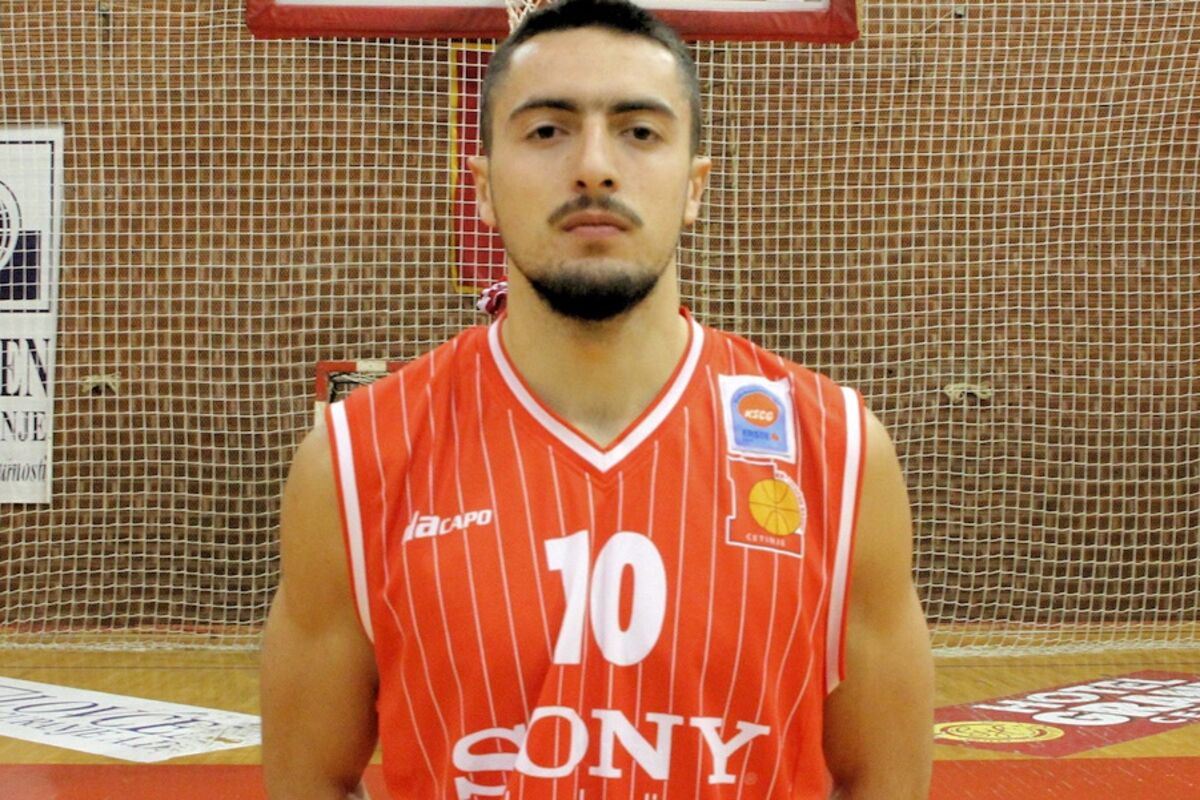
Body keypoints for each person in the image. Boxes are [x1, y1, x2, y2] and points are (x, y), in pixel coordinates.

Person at [260, 0, 934, 797]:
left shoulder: (839, 452)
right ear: (482, 187)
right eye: (547, 130)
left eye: (639, 131)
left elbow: (885, 779)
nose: (593, 167)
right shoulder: (352, 461)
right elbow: (310, 781)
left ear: (694, 186)